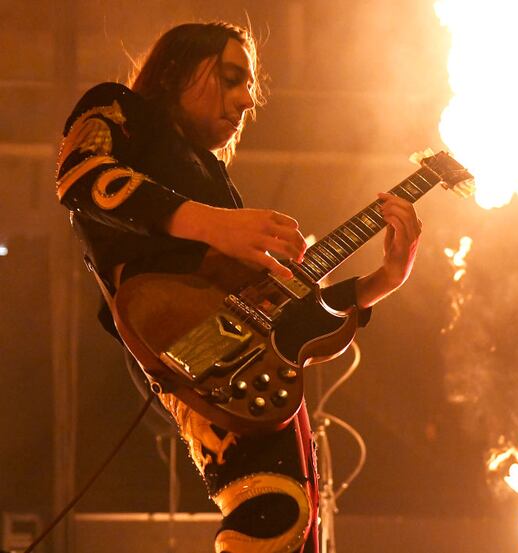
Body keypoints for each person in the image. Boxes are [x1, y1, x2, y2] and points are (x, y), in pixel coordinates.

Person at [55, 21, 422, 553]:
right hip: (180, 334)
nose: (246, 100)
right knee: (273, 510)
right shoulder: (118, 107)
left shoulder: (220, 183)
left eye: (249, 86)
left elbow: (282, 317)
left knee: (292, 514)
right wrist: (212, 223)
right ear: (179, 67)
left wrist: (383, 280)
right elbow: (79, 174)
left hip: (245, 359)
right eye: (231, 78)